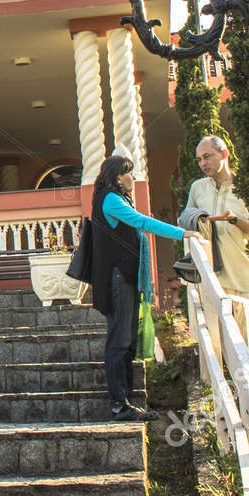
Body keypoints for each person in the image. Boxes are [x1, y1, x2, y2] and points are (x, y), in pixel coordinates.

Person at [90, 150, 186, 421]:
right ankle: (118, 405)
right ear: (117, 178)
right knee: (119, 341)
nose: (133, 176)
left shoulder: (118, 198)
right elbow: (142, 222)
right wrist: (182, 232)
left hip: (126, 278)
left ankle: (126, 400)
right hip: (117, 279)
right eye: (129, 172)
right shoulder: (109, 200)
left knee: (127, 340)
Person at [179, 135, 249, 391]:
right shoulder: (198, 188)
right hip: (214, 283)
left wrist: (234, 220)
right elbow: (187, 220)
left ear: (224, 154)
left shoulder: (246, 187)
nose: (202, 163)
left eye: (207, 156)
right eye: (199, 159)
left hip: (246, 278)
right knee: (224, 353)